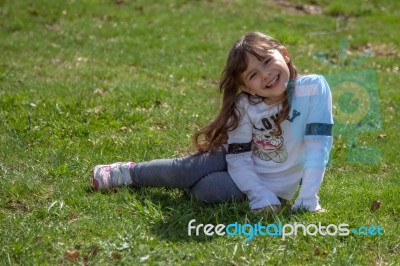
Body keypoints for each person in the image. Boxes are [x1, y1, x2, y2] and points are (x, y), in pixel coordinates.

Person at [92, 32, 333, 213]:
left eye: (267, 61)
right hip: (238, 158)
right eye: (253, 75)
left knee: (207, 191)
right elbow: (239, 157)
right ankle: (128, 173)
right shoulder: (245, 104)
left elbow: (317, 147)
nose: (266, 74)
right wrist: (258, 194)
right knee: (184, 171)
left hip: (271, 184)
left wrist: (306, 199)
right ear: (246, 87)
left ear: (285, 54)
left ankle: (189, 183)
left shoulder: (313, 89)